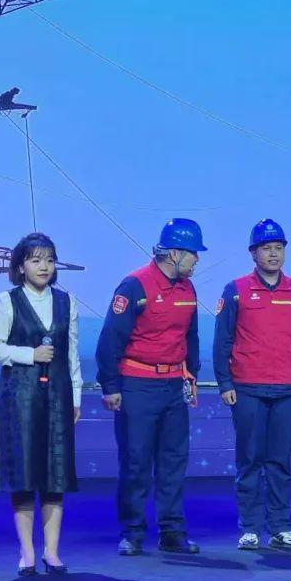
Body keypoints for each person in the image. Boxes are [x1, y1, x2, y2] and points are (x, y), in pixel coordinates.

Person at [213, 219, 291, 551]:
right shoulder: (236, 290)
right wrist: (224, 382)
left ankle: (281, 526)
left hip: (287, 390)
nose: (273, 254)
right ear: (253, 253)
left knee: (280, 461)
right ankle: (249, 528)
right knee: (250, 459)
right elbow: (222, 340)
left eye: (278, 248)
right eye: (266, 248)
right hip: (247, 388)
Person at [96, 218, 204, 556]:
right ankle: (132, 532)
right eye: (193, 253)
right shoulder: (135, 286)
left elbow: (190, 337)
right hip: (137, 386)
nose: (197, 259)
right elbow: (110, 339)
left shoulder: (188, 289)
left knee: (174, 461)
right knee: (136, 461)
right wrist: (110, 385)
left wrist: (192, 376)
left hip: (173, 386)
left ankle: (172, 532)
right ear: (173, 253)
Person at [0, 232, 81, 576]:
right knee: (24, 474)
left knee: (55, 474)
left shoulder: (66, 302)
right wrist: (29, 354)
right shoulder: (7, 301)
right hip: (20, 398)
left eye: (49, 260)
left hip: (57, 397)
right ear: (21, 266)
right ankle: (27, 552)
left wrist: (75, 398)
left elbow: (71, 355)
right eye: (36, 260)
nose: (44, 267)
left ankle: (52, 552)